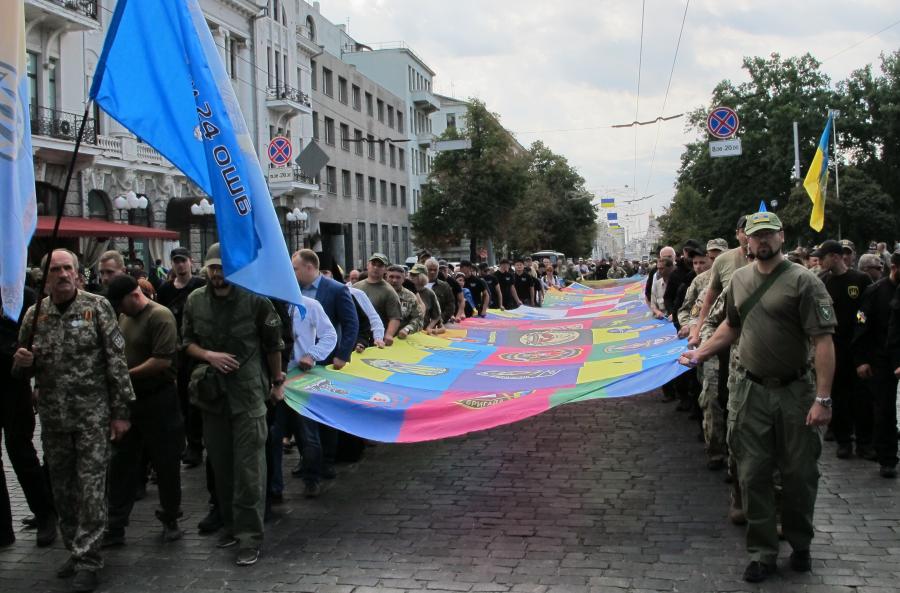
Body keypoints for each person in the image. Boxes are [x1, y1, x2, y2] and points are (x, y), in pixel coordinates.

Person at [679, 212, 836, 584]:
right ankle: (762, 551)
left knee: (800, 473)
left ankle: (799, 543)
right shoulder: (740, 280)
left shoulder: (805, 282)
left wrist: (823, 399)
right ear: (746, 241)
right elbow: (731, 326)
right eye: (755, 235)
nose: (762, 241)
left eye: (768, 234)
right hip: (750, 391)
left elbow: (824, 341)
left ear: (781, 236)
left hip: (795, 391)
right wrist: (700, 352)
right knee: (752, 473)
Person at [13, 249, 134, 592]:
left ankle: (90, 559)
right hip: (54, 420)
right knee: (64, 492)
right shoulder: (35, 315)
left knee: (92, 490)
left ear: (78, 274)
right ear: (45, 276)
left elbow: (116, 362)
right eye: (55, 270)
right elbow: (22, 367)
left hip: (92, 417)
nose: (63, 274)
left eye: (68, 268)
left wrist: (121, 412)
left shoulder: (97, 307)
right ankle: (75, 547)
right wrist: (22, 362)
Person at [181, 243, 285, 567]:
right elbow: (186, 343)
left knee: (249, 471)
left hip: (249, 397)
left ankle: (250, 537)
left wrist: (277, 382)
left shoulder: (256, 301)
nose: (217, 274)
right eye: (212, 267)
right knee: (222, 469)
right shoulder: (195, 301)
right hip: (212, 396)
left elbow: (273, 345)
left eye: (223, 268)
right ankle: (230, 526)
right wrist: (209, 355)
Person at [103, 274, 184, 546]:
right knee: (122, 464)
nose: (118, 307)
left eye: (120, 302)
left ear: (134, 295)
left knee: (166, 462)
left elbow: (162, 361)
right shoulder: (125, 316)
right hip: (131, 400)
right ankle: (115, 525)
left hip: (159, 399)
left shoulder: (159, 316)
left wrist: (123, 375)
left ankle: (170, 517)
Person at [0, 286, 57, 549]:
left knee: (20, 449)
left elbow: (32, 338)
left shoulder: (22, 294)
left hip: (13, 381)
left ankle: (45, 514)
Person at [812, 239, 873, 459]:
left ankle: (865, 442)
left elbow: (865, 311)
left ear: (835, 257)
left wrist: (859, 324)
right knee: (838, 395)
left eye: (823, 257)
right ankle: (843, 440)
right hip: (833, 346)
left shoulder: (860, 279)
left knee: (862, 396)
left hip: (857, 345)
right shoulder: (823, 281)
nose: (819, 261)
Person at [156, 247, 206, 469]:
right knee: (181, 400)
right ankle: (188, 443)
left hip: (195, 348)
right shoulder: (166, 289)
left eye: (183, 261)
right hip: (174, 350)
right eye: (176, 261)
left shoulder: (199, 285)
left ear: (190, 262)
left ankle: (196, 444)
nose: (180, 265)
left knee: (196, 398)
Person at [853, 250, 900, 478]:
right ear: (895, 268)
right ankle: (887, 457)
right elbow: (861, 323)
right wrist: (861, 359)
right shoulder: (875, 292)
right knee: (885, 410)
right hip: (880, 358)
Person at [353, 253, 401, 345]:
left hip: (376, 339)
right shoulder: (355, 287)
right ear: (368, 265)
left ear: (385, 269)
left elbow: (395, 317)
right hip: (356, 336)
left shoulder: (389, 291)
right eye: (373, 264)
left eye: (380, 266)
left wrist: (388, 335)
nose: (376, 268)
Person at [386, 265, 424, 338]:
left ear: (403, 279)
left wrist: (407, 329)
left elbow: (419, 318)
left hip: (400, 339)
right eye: (391, 277)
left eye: (398, 277)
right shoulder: (379, 293)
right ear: (386, 278)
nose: (394, 280)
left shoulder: (410, 297)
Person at [409, 264, 443, 333]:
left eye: (415, 275)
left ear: (422, 277)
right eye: (411, 274)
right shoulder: (406, 290)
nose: (411, 277)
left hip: (423, 331)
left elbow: (437, 315)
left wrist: (429, 328)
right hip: (407, 330)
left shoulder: (429, 293)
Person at [425, 258, 457, 323]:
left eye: (435, 270)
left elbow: (451, 305)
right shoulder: (418, 285)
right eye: (430, 269)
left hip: (439, 324)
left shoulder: (445, 286)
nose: (432, 272)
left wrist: (440, 319)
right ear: (425, 270)